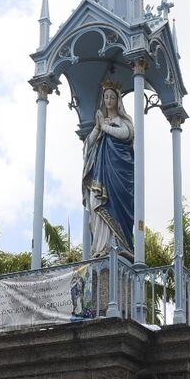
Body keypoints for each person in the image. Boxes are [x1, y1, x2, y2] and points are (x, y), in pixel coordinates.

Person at [82, 80, 135, 259]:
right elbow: (88, 144)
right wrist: (98, 127)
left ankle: (118, 244)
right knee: (96, 201)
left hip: (117, 172)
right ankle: (100, 247)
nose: (109, 100)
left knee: (116, 205)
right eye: (106, 97)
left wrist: (105, 127)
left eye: (112, 97)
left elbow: (127, 134)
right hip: (100, 173)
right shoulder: (101, 121)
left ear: (118, 100)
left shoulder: (122, 121)